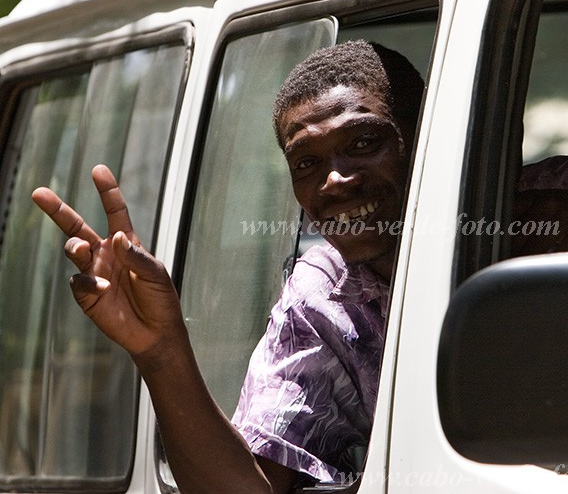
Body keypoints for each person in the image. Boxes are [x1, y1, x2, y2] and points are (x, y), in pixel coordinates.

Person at [31, 40, 424, 494]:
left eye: (363, 142)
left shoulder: (518, 215)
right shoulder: (322, 296)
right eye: (307, 162)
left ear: (423, 134)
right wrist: (160, 350)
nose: (334, 180)